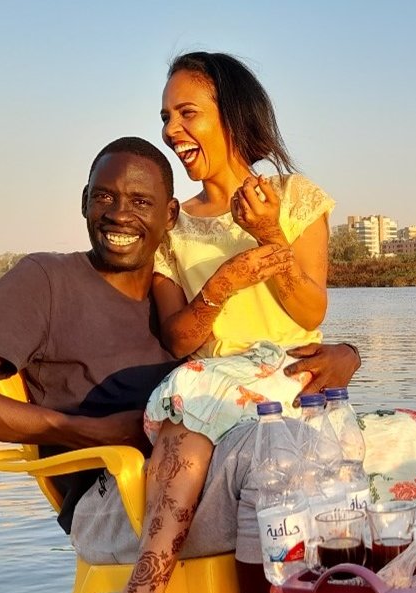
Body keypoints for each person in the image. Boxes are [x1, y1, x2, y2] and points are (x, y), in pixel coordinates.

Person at [0, 136, 362, 593]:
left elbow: (260, 368)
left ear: (171, 216)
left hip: (209, 486)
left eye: (141, 203)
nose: (120, 214)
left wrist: (345, 355)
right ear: (85, 203)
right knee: (278, 454)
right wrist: (78, 429)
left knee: (353, 445)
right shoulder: (47, 280)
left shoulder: (182, 307)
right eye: (105, 197)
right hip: (110, 500)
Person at [140, 52, 333, 449]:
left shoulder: (295, 198)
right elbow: (177, 340)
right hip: (218, 395)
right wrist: (224, 282)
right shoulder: (172, 226)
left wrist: (269, 234)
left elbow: (312, 312)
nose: (170, 130)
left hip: (293, 383)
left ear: (231, 115)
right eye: (165, 117)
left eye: (186, 113)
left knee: (412, 436)